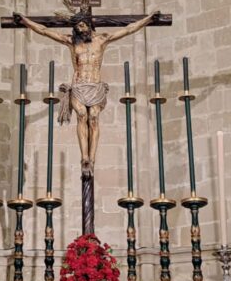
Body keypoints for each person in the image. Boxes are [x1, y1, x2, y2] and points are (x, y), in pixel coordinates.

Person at [14, 9, 159, 174]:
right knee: (82, 115)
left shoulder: (102, 40)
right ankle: (84, 158)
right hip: (79, 86)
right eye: (77, 27)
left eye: (82, 25)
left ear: (89, 25)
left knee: (94, 118)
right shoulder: (72, 42)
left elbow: (129, 29)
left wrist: (148, 19)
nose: (80, 29)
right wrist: (25, 21)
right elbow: (44, 31)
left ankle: (92, 159)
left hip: (95, 87)